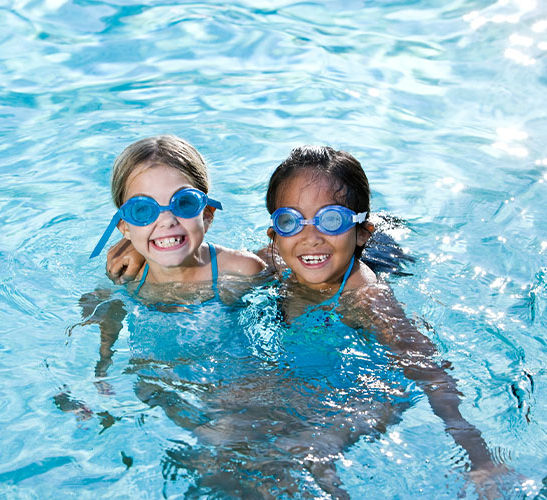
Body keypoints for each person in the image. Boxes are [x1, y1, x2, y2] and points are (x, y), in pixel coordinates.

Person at [101, 145, 518, 498]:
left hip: (372, 386)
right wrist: (148, 249)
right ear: (275, 236)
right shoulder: (279, 263)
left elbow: (428, 372)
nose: (310, 237)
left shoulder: (366, 298)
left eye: (331, 220)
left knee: (311, 451)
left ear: (360, 232)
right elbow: (206, 260)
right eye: (290, 223)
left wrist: (478, 457)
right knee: (221, 435)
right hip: (307, 351)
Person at [89, 134, 265, 303]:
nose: (167, 220)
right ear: (125, 227)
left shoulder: (241, 271)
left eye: (184, 202)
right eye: (143, 209)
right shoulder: (127, 278)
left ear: (207, 215)